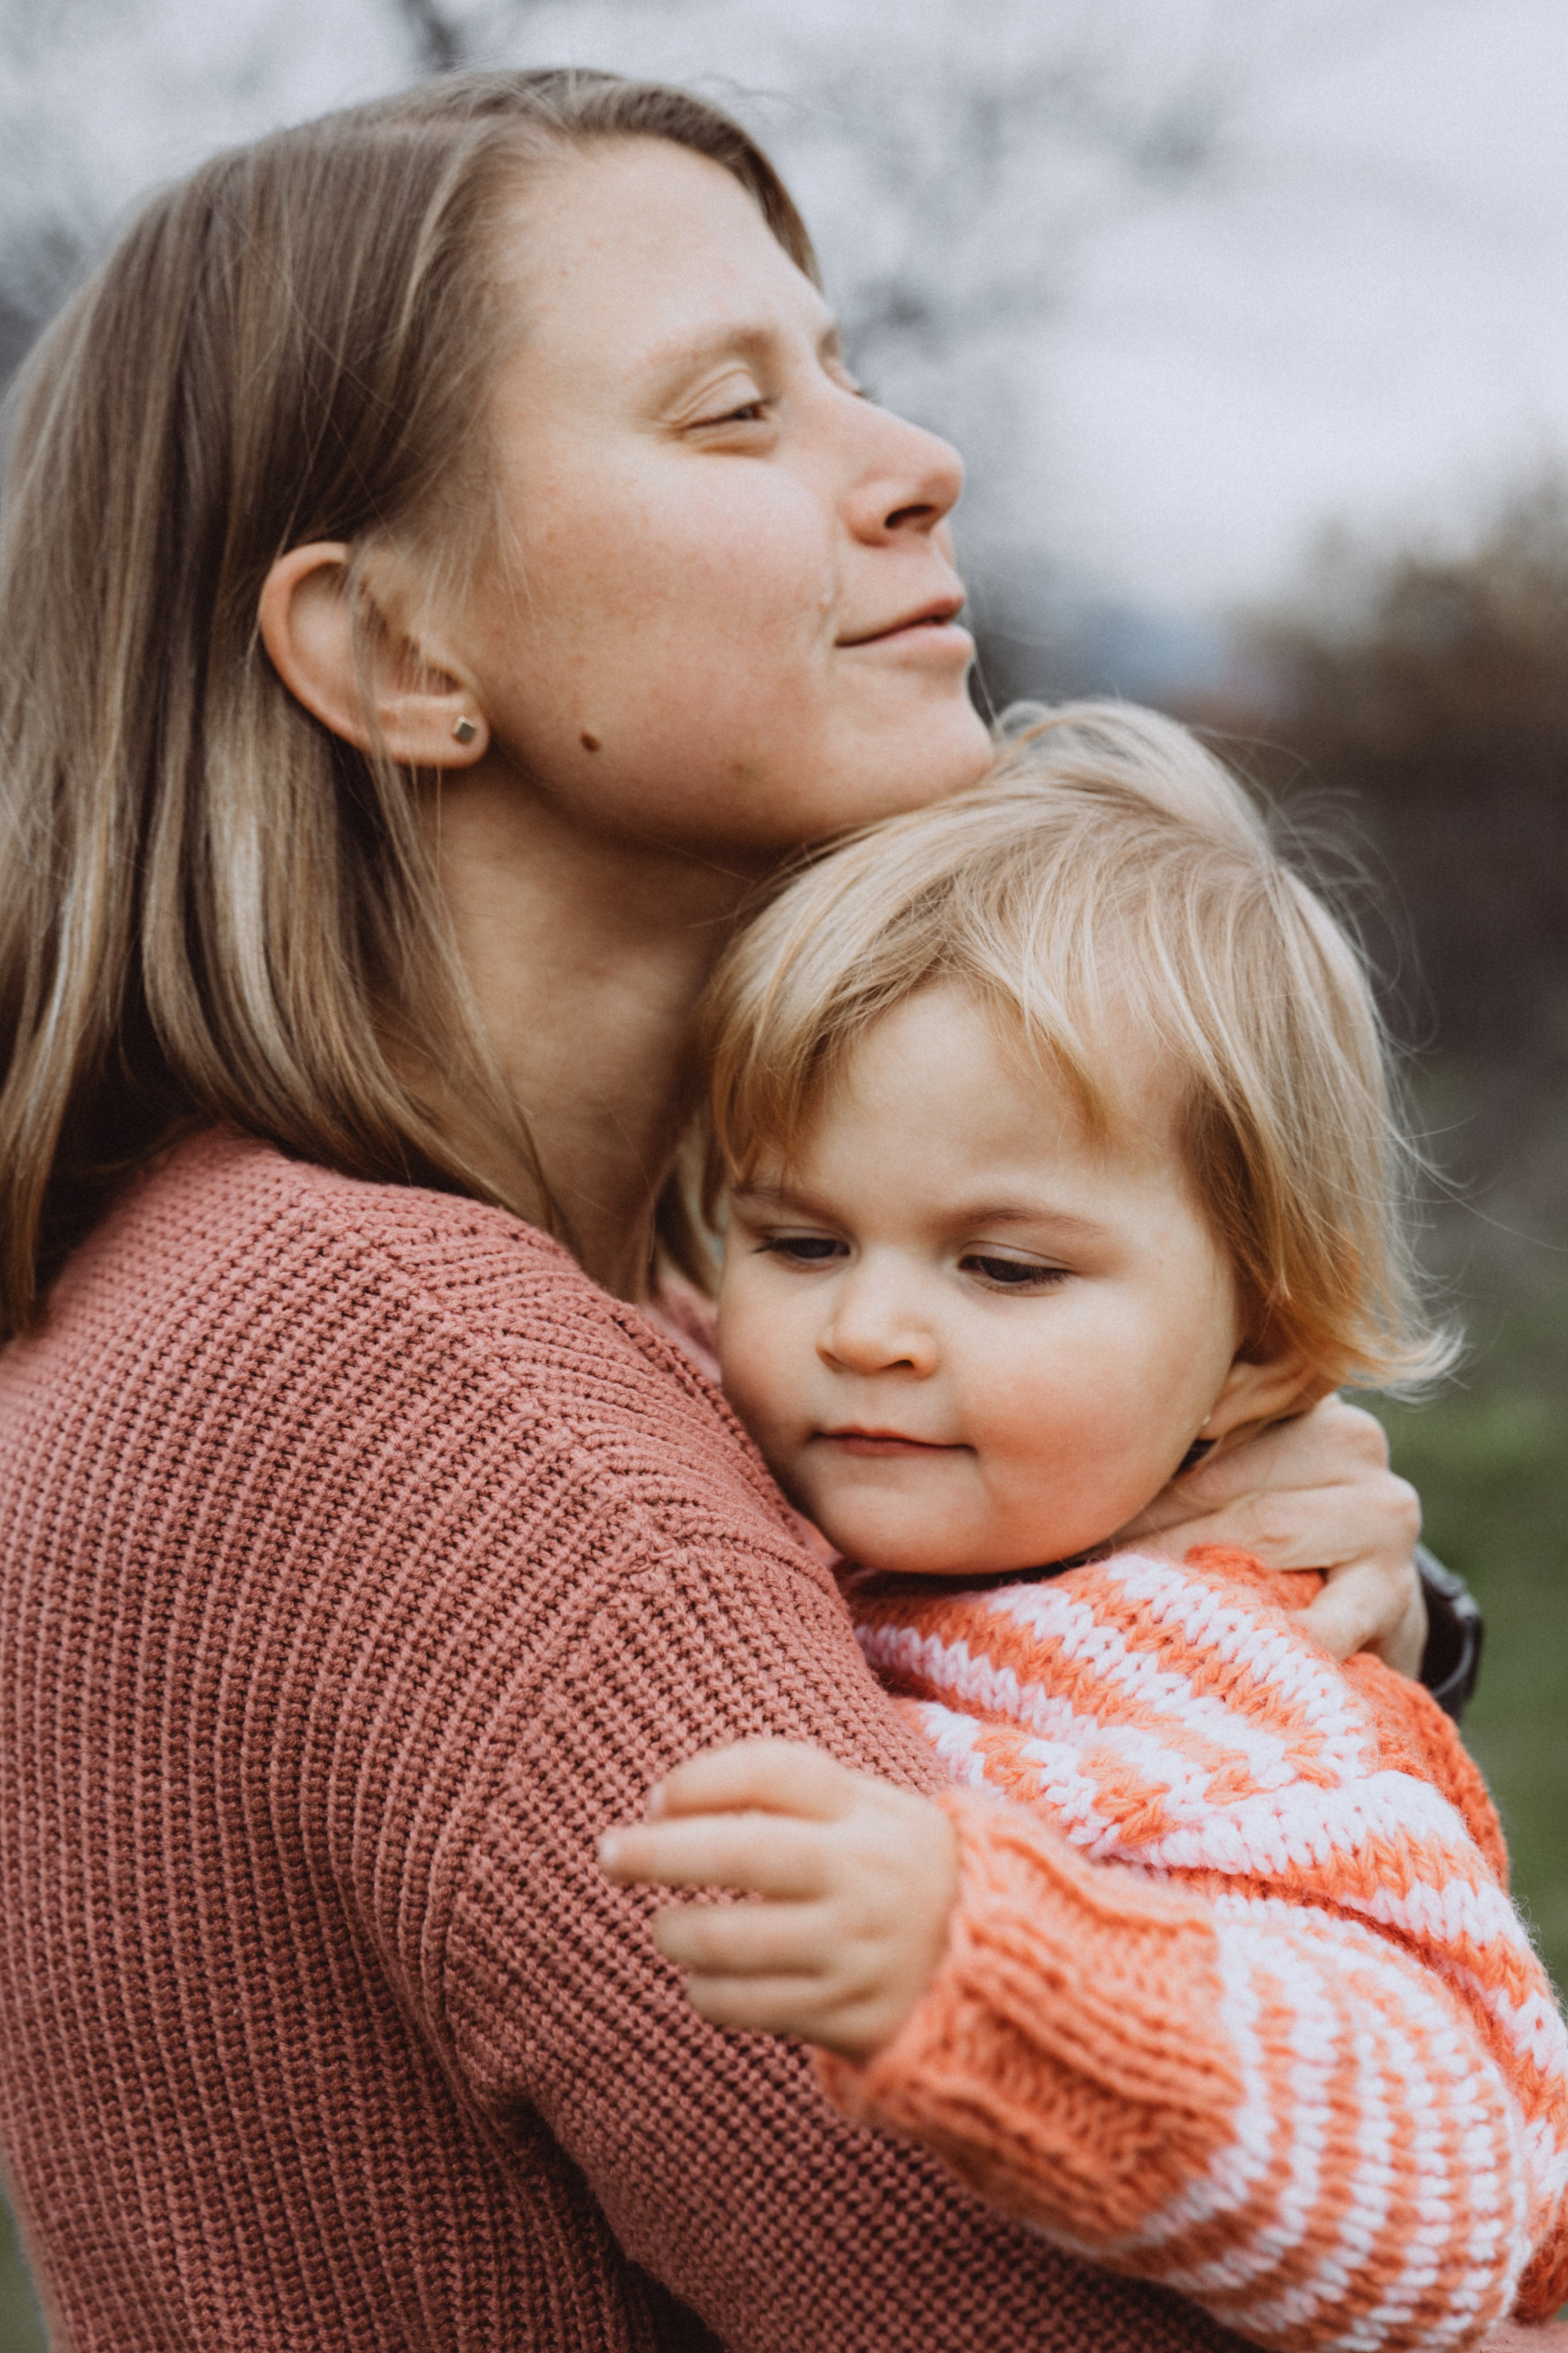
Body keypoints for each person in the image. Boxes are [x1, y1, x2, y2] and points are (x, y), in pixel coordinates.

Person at [0, 66, 1458, 2353]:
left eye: (848, 370)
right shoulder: (413, 1374)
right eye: (732, 412)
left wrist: (1200, 1642)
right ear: (393, 652)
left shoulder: (264, 1282)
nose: (916, 460)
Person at [601, 704, 1568, 2351]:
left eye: (1006, 1267)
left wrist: (997, 1970)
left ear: (1263, 1344)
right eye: (803, 1241)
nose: (870, 1331)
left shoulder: (1226, 1685)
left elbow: (1454, 2181)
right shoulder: (740, 1444)